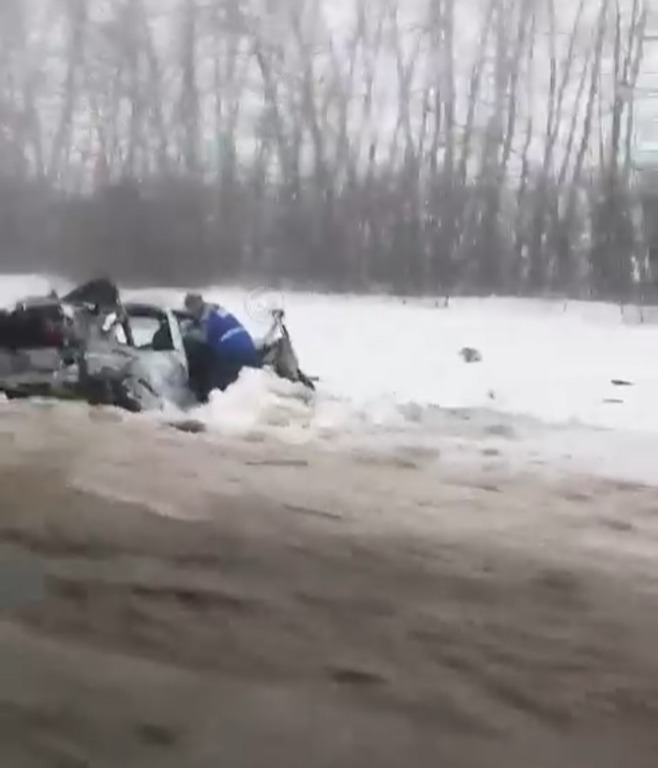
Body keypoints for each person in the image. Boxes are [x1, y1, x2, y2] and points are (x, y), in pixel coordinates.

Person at [183, 292, 262, 396]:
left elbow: (203, 337)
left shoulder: (206, 318)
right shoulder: (218, 311)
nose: (191, 313)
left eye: (191, 309)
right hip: (249, 348)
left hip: (231, 354)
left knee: (219, 392)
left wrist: (185, 332)